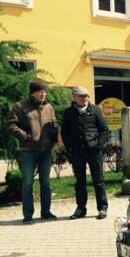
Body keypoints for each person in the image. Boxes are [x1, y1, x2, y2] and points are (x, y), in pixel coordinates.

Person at [7, 81, 59, 224]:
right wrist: (26, 137)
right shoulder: (20, 106)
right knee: (27, 183)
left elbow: (54, 122)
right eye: (40, 91)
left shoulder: (49, 107)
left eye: (45, 91)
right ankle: (28, 215)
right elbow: (11, 125)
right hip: (28, 151)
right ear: (33, 93)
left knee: (46, 183)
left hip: (45, 151)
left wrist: (55, 131)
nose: (43, 94)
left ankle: (46, 212)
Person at [61, 86, 110, 220]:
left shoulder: (95, 110)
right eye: (82, 96)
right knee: (80, 181)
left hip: (94, 151)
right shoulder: (69, 112)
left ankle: (102, 208)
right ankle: (81, 209)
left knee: (98, 180)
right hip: (77, 152)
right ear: (74, 97)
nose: (85, 99)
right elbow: (64, 132)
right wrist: (70, 148)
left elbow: (104, 129)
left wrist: (99, 145)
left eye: (87, 96)